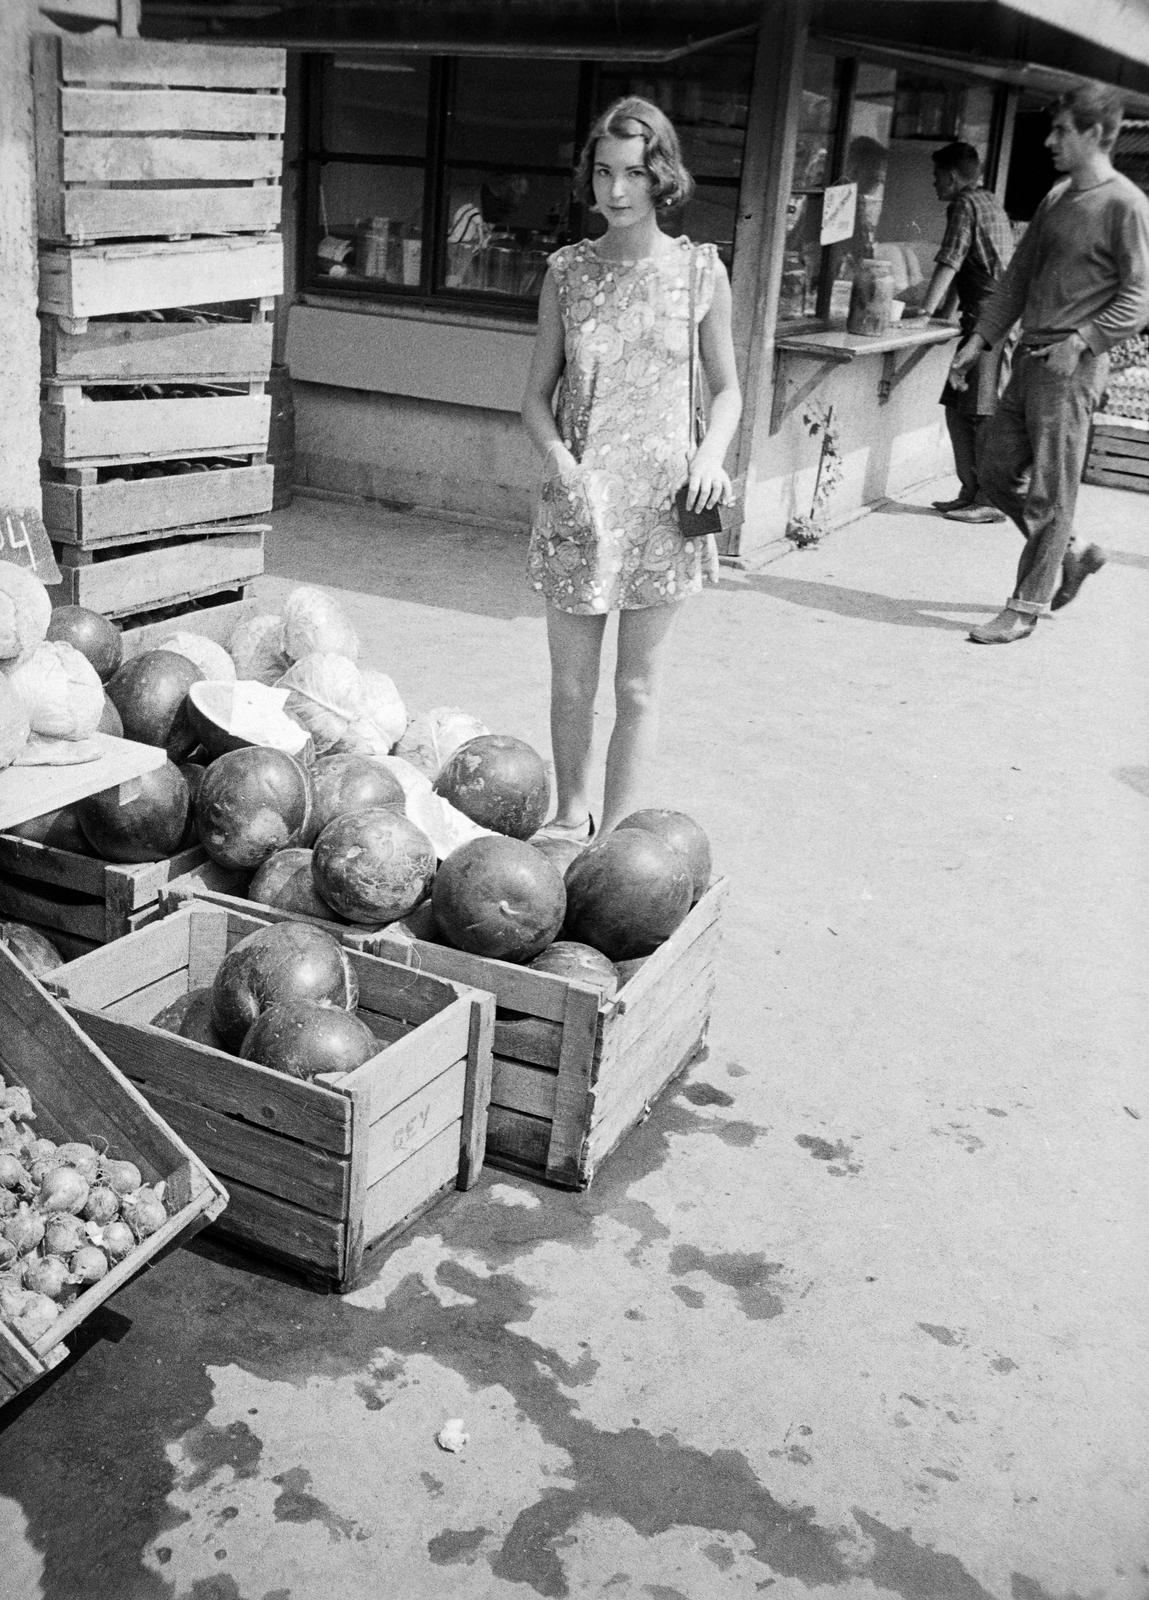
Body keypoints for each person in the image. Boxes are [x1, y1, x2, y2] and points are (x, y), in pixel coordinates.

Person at [521, 96, 741, 837]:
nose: (615, 191)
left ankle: (616, 840)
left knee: (637, 687)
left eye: (634, 174)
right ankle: (567, 817)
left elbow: (729, 391)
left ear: (662, 179)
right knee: (571, 685)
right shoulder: (567, 273)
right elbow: (533, 397)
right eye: (603, 172)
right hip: (580, 507)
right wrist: (558, 460)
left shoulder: (700, 274)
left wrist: (711, 454)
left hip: (661, 510)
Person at [949, 82, 1149, 644]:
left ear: (1095, 133)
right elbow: (1016, 280)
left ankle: (1025, 608)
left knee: (1052, 490)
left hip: (1071, 365)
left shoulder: (1126, 204)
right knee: (994, 470)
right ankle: (1075, 550)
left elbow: (1139, 298)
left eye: (1062, 130)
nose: (1049, 140)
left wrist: (1082, 341)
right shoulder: (1058, 197)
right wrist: (980, 340)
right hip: (1030, 356)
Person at [918, 141, 1015, 524]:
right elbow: (968, 266)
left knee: (980, 412)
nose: (933, 183)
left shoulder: (963, 204)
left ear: (953, 176)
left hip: (989, 322)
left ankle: (989, 500)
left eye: (936, 175)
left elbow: (950, 260)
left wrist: (924, 310)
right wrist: (945, 311)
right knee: (959, 408)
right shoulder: (988, 200)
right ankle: (969, 491)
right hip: (986, 316)